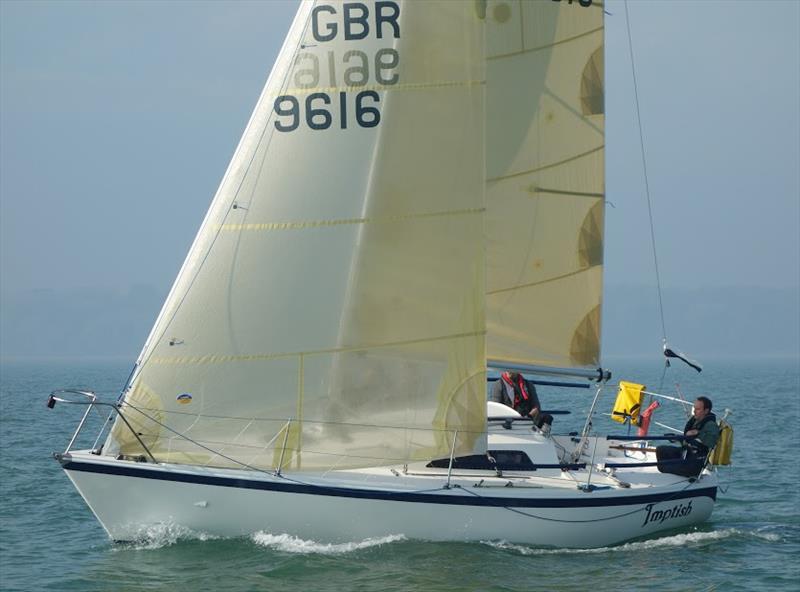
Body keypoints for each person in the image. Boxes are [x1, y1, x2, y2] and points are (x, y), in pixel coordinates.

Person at [656, 396, 720, 477]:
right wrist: (677, 438)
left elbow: (709, 443)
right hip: (686, 454)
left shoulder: (711, 425)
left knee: (665, 467)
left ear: (706, 411)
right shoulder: (696, 421)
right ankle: (670, 474)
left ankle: (675, 477)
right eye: (694, 408)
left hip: (695, 462)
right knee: (661, 450)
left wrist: (697, 434)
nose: (694, 411)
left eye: (698, 409)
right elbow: (689, 437)